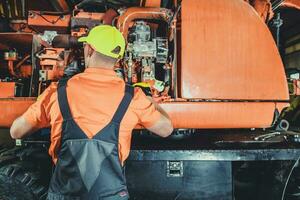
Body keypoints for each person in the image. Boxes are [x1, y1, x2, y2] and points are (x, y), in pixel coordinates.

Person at [10, 25, 173, 200]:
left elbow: (15, 131)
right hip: (111, 195)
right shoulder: (133, 97)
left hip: (65, 194)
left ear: (89, 49)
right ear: (118, 59)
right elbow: (166, 129)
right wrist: (153, 103)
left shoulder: (57, 91)